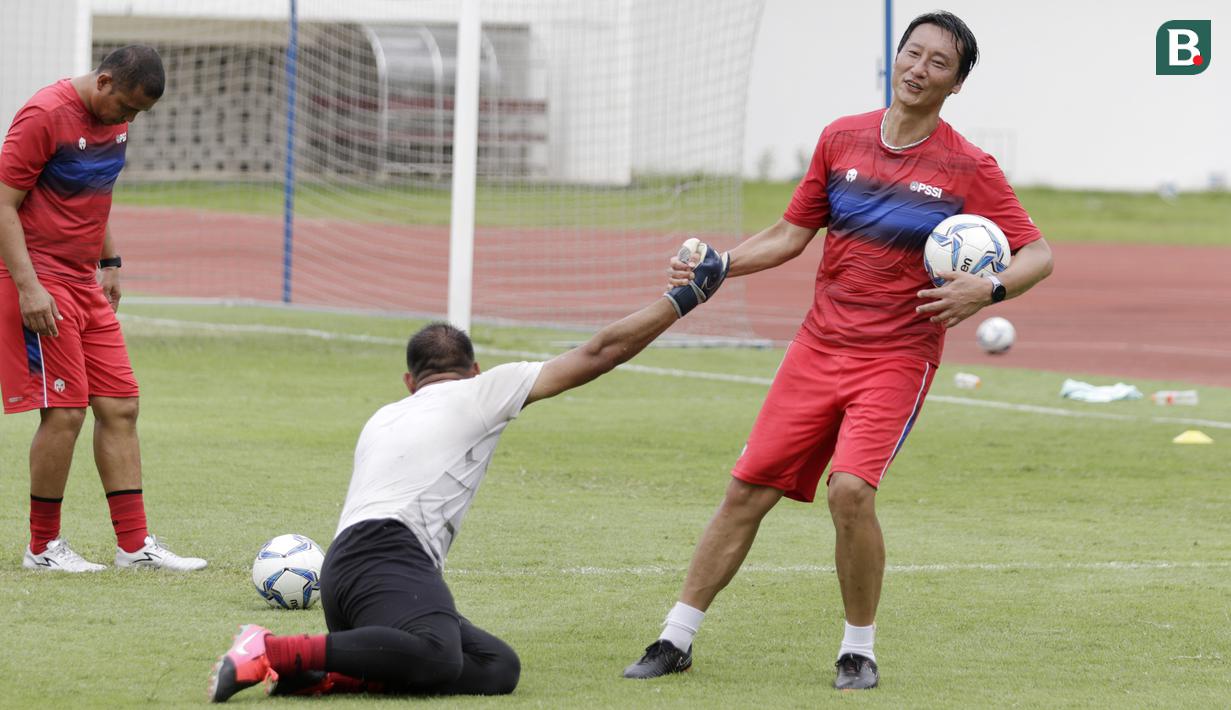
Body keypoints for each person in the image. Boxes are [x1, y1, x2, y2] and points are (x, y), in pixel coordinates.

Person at [621, 11, 1054, 691]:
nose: (919, 68)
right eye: (912, 53)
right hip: (817, 348)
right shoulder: (840, 138)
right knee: (744, 493)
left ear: (957, 83)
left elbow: (1038, 252)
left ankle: (858, 650)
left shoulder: (969, 166)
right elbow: (790, 234)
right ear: (896, 59)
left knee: (849, 492)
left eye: (938, 62)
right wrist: (719, 265)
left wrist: (986, 290)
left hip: (896, 358)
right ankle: (675, 637)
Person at [206, 241, 729, 702]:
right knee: (436, 655)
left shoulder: (384, 416)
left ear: (410, 381)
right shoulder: (481, 392)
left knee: (496, 668)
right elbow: (600, 351)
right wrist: (685, 299)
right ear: (474, 370)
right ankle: (269, 647)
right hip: (390, 556)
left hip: (343, 572)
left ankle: (325, 675)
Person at [0, 46, 206, 572]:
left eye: (139, 114)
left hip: (84, 279)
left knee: (120, 405)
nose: (129, 120)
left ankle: (134, 547)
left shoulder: (115, 119)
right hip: (39, 277)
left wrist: (110, 260)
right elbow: (3, 203)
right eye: (127, 109)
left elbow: (96, 191)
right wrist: (27, 288)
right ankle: (42, 548)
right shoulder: (46, 114)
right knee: (65, 411)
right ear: (106, 81)